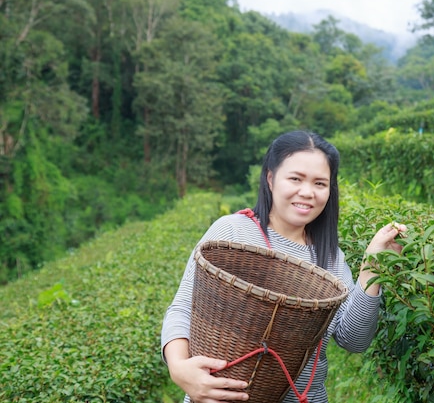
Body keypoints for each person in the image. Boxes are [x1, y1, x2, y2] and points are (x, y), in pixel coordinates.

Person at [161, 130, 406, 403]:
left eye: (320, 183)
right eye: (295, 179)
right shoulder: (232, 232)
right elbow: (184, 307)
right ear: (270, 178)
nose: (307, 192)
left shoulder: (330, 258)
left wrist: (372, 268)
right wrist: (179, 368)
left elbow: (353, 339)